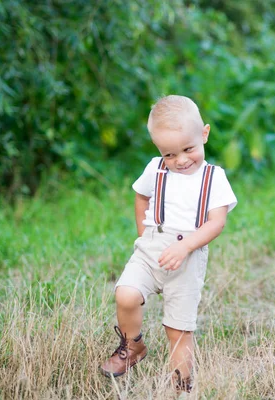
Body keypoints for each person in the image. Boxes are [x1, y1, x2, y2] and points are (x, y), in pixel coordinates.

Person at [100, 95, 237, 393]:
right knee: (125, 294)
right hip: (150, 248)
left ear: (204, 134)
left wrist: (186, 246)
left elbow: (217, 222)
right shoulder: (155, 169)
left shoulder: (214, 178)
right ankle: (132, 346)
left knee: (177, 328)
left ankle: (181, 386)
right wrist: (143, 235)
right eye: (169, 154)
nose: (181, 160)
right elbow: (141, 196)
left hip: (187, 254)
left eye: (188, 149)